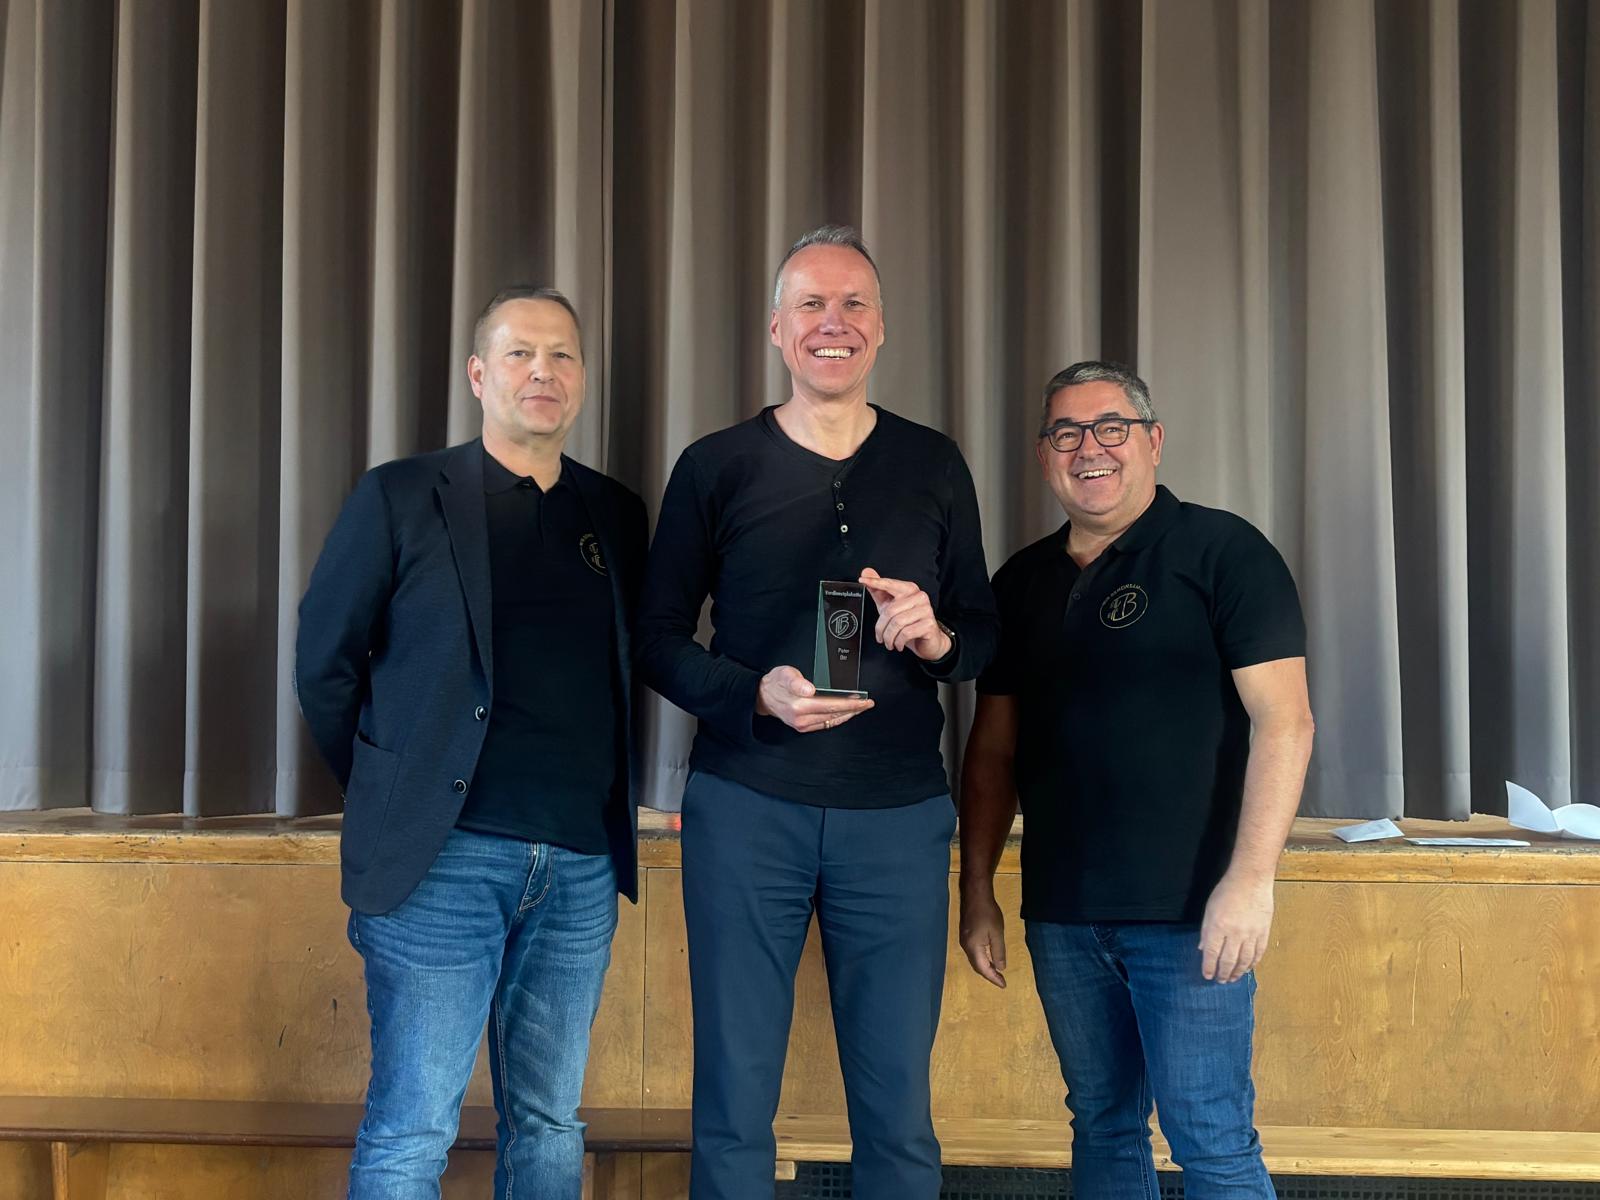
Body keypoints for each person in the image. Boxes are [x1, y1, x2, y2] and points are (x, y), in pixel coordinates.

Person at [637, 225, 999, 1199]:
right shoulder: (714, 466)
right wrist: (750, 693)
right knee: (732, 1104)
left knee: (899, 1115)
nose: (831, 323)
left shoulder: (933, 462)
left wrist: (936, 639)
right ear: (775, 329)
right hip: (745, 807)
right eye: (810, 303)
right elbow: (654, 637)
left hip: (899, 817)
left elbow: (983, 636)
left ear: (881, 328)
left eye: (852, 305)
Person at [295, 286, 647, 1199]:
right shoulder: (402, 495)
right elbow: (325, 662)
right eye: (521, 353)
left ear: (582, 378)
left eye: (562, 355)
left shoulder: (616, 514)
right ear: (479, 374)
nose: (543, 371)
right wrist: (389, 788)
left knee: (552, 1124)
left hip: (578, 868)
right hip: (440, 863)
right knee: (413, 1130)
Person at [959, 361, 1315, 1199]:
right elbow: (992, 753)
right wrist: (977, 891)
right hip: (1063, 915)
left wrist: (1250, 883)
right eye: (1067, 432)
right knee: (1102, 1123)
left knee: (1209, 1136)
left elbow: (1287, 723)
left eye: (1111, 427)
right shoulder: (1019, 581)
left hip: (1192, 915)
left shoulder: (1225, 552)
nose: (1090, 448)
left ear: (1152, 440)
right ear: (1044, 455)